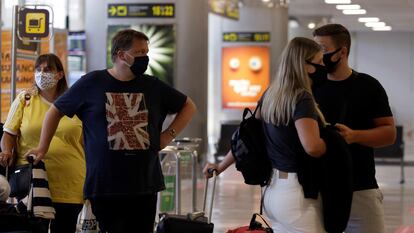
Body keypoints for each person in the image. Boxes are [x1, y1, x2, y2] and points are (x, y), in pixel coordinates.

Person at [26, 29, 196, 233]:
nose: (145, 57)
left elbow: (188, 106)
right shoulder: (91, 83)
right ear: (121, 55)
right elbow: (55, 111)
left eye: (146, 52)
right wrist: (42, 148)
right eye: (140, 52)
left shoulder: (153, 86)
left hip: (144, 183)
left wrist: (167, 136)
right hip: (105, 184)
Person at [204, 37, 328, 233]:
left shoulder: (271, 94)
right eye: (320, 61)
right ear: (305, 65)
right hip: (297, 193)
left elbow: (246, 136)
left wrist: (220, 166)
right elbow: (312, 146)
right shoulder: (302, 98)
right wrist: (333, 142)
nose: (323, 66)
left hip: (272, 190)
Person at [312, 24, 396, 233]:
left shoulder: (368, 86)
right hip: (316, 189)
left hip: (360, 187)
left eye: (323, 49)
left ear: (342, 51)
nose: (318, 56)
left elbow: (389, 133)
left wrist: (354, 136)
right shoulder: (309, 87)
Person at [0, 53, 85, 233]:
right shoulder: (25, 100)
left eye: (47, 69)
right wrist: (6, 151)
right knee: (32, 228)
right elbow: (8, 134)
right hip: (32, 181)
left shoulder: (76, 104)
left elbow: (86, 143)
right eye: (38, 70)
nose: (41, 73)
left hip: (70, 183)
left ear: (60, 74)